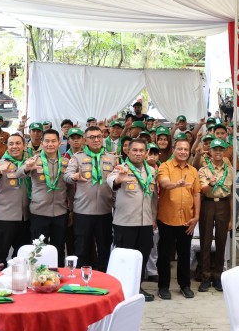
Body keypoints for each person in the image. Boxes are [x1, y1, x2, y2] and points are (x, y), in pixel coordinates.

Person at [108, 137, 157, 301]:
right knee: (124, 259)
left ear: (146, 153)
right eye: (134, 150)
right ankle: (121, 291)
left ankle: (137, 288)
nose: (138, 153)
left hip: (145, 222)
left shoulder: (151, 171)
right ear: (128, 152)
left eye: (141, 150)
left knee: (141, 257)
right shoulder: (121, 168)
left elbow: (153, 198)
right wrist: (118, 180)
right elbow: (111, 180)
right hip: (125, 223)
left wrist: (153, 218)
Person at [65, 125, 117, 271]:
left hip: (104, 211)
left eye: (99, 136)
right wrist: (74, 176)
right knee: (82, 249)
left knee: (104, 249)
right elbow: (66, 176)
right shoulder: (77, 157)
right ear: (85, 140)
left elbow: (116, 183)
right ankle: (82, 279)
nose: (96, 140)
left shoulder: (112, 158)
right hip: (83, 212)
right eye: (92, 137)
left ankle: (103, 277)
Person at [155, 138, 201, 300]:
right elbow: (164, 183)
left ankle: (185, 285)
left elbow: (196, 194)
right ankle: (163, 286)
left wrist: (196, 216)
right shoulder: (165, 166)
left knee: (184, 254)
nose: (183, 152)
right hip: (167, 219)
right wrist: (177, 184)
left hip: (187, 220)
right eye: (180, 149)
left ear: (189, 152)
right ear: (174, 149)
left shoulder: (193, 171)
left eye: (186, 149)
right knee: (164, 255)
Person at [19, 129, 70, 265]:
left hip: (60, 212)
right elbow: (19, 173)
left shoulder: (66, 161)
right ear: (42, 143)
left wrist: (70, 209)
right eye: (47, 141)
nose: (50, 144)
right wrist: (27, 168)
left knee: (58, 248)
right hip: (39, 212)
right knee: (38, 249)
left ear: (59, 143)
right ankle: (37, 275)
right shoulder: (34, 159)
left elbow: (70, 187)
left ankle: (58, 274)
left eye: (53, 141)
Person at [0, 133, 31, 265]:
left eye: (18, 143)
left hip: (25, 217)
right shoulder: (0, 162)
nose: (14, 146)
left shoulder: (29, 163)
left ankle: (18, 277)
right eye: (11, 144)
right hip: (4, 218)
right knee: (0, 254)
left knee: (22, 255)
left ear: (24, 146)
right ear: (7, 146)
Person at [197, 138, 233, 292]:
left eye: (220, 149)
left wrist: (231, 218)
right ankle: (205, 276)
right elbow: (203, 190)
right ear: (210, 151)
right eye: (215, 149)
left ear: (224, 151)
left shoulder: (229, 170)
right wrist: (210, 184)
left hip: (223, 204)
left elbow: (231, 195)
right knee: (205, 241)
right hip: (208, 204)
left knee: (221, 241)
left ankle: (218, 276)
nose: (218, 152)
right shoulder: (203, 170)